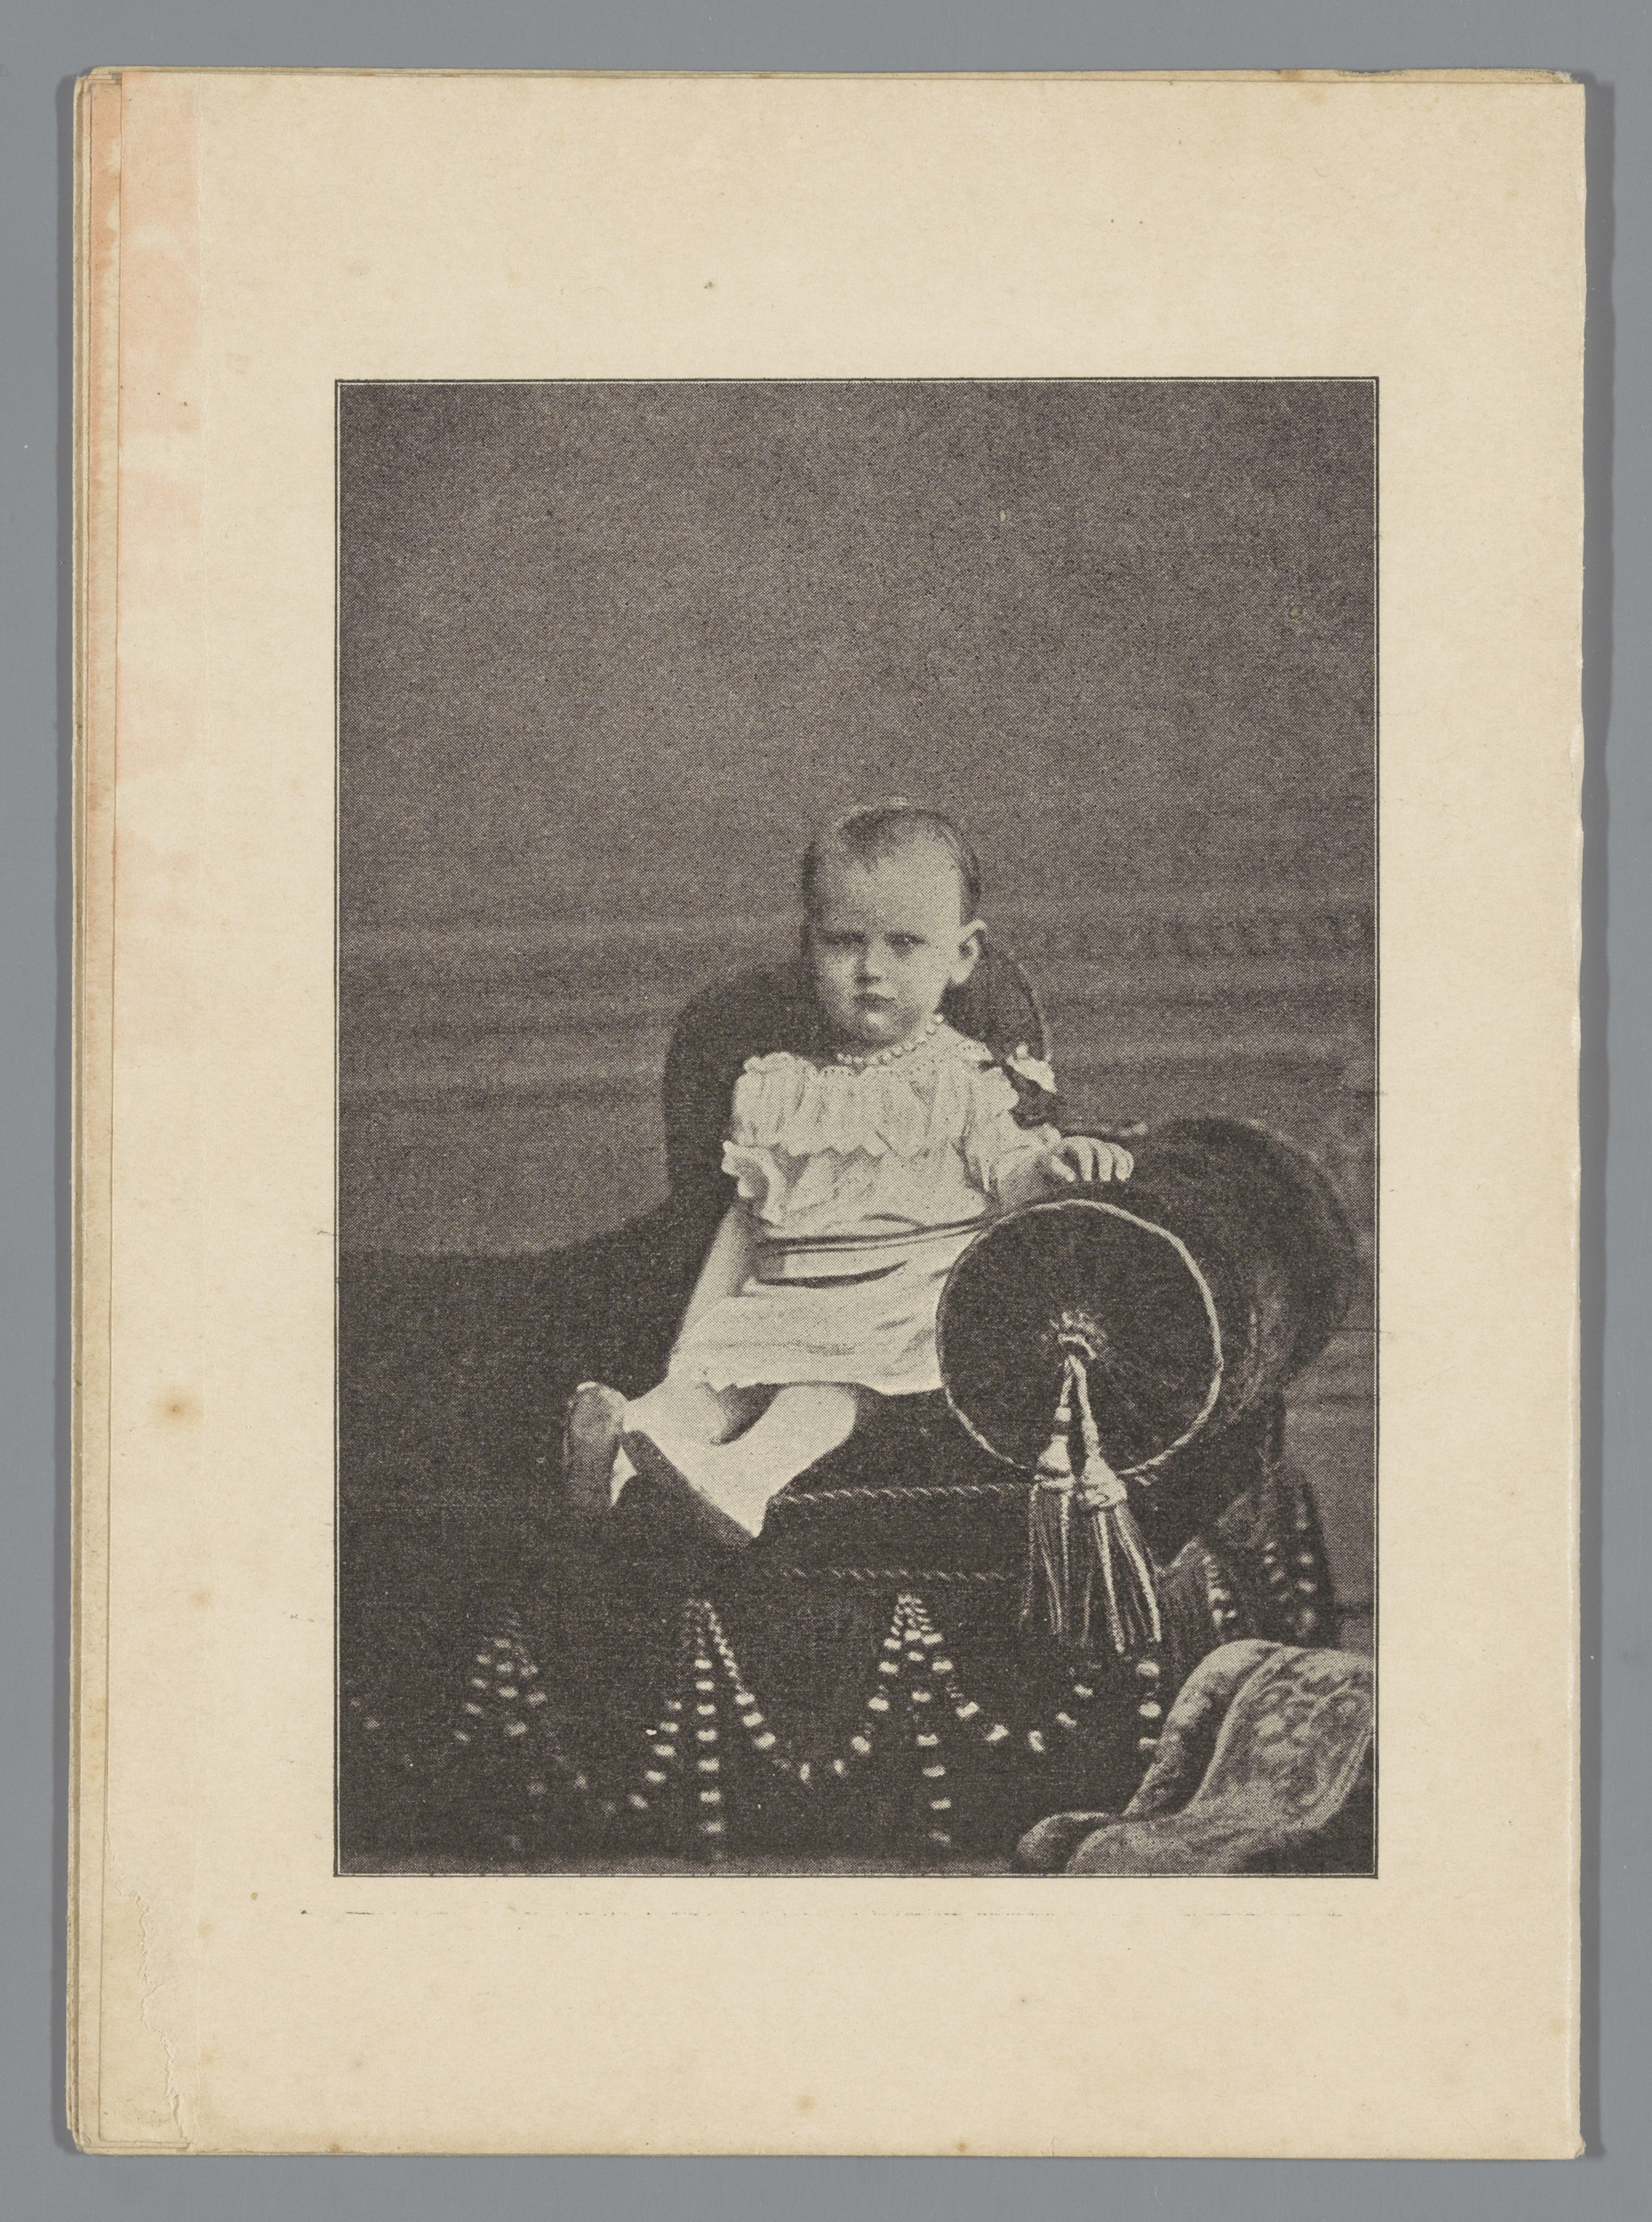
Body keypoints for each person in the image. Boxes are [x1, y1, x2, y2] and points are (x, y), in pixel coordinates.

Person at [569, 803, 1133, 1546]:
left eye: (904, 944)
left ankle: (742, 1480)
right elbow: (745, 1222)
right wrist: (695, 1339)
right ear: (809, 947)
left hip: (902, 1303)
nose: (871, 969)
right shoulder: (778, 1086)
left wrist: (1056, 1166)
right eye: (844, 942)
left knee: (821, 1392)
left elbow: (1010, 1175)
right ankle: (626, 1446)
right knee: (712, 1383)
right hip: (791, 1297)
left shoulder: (963, 1078)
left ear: (962, 956)